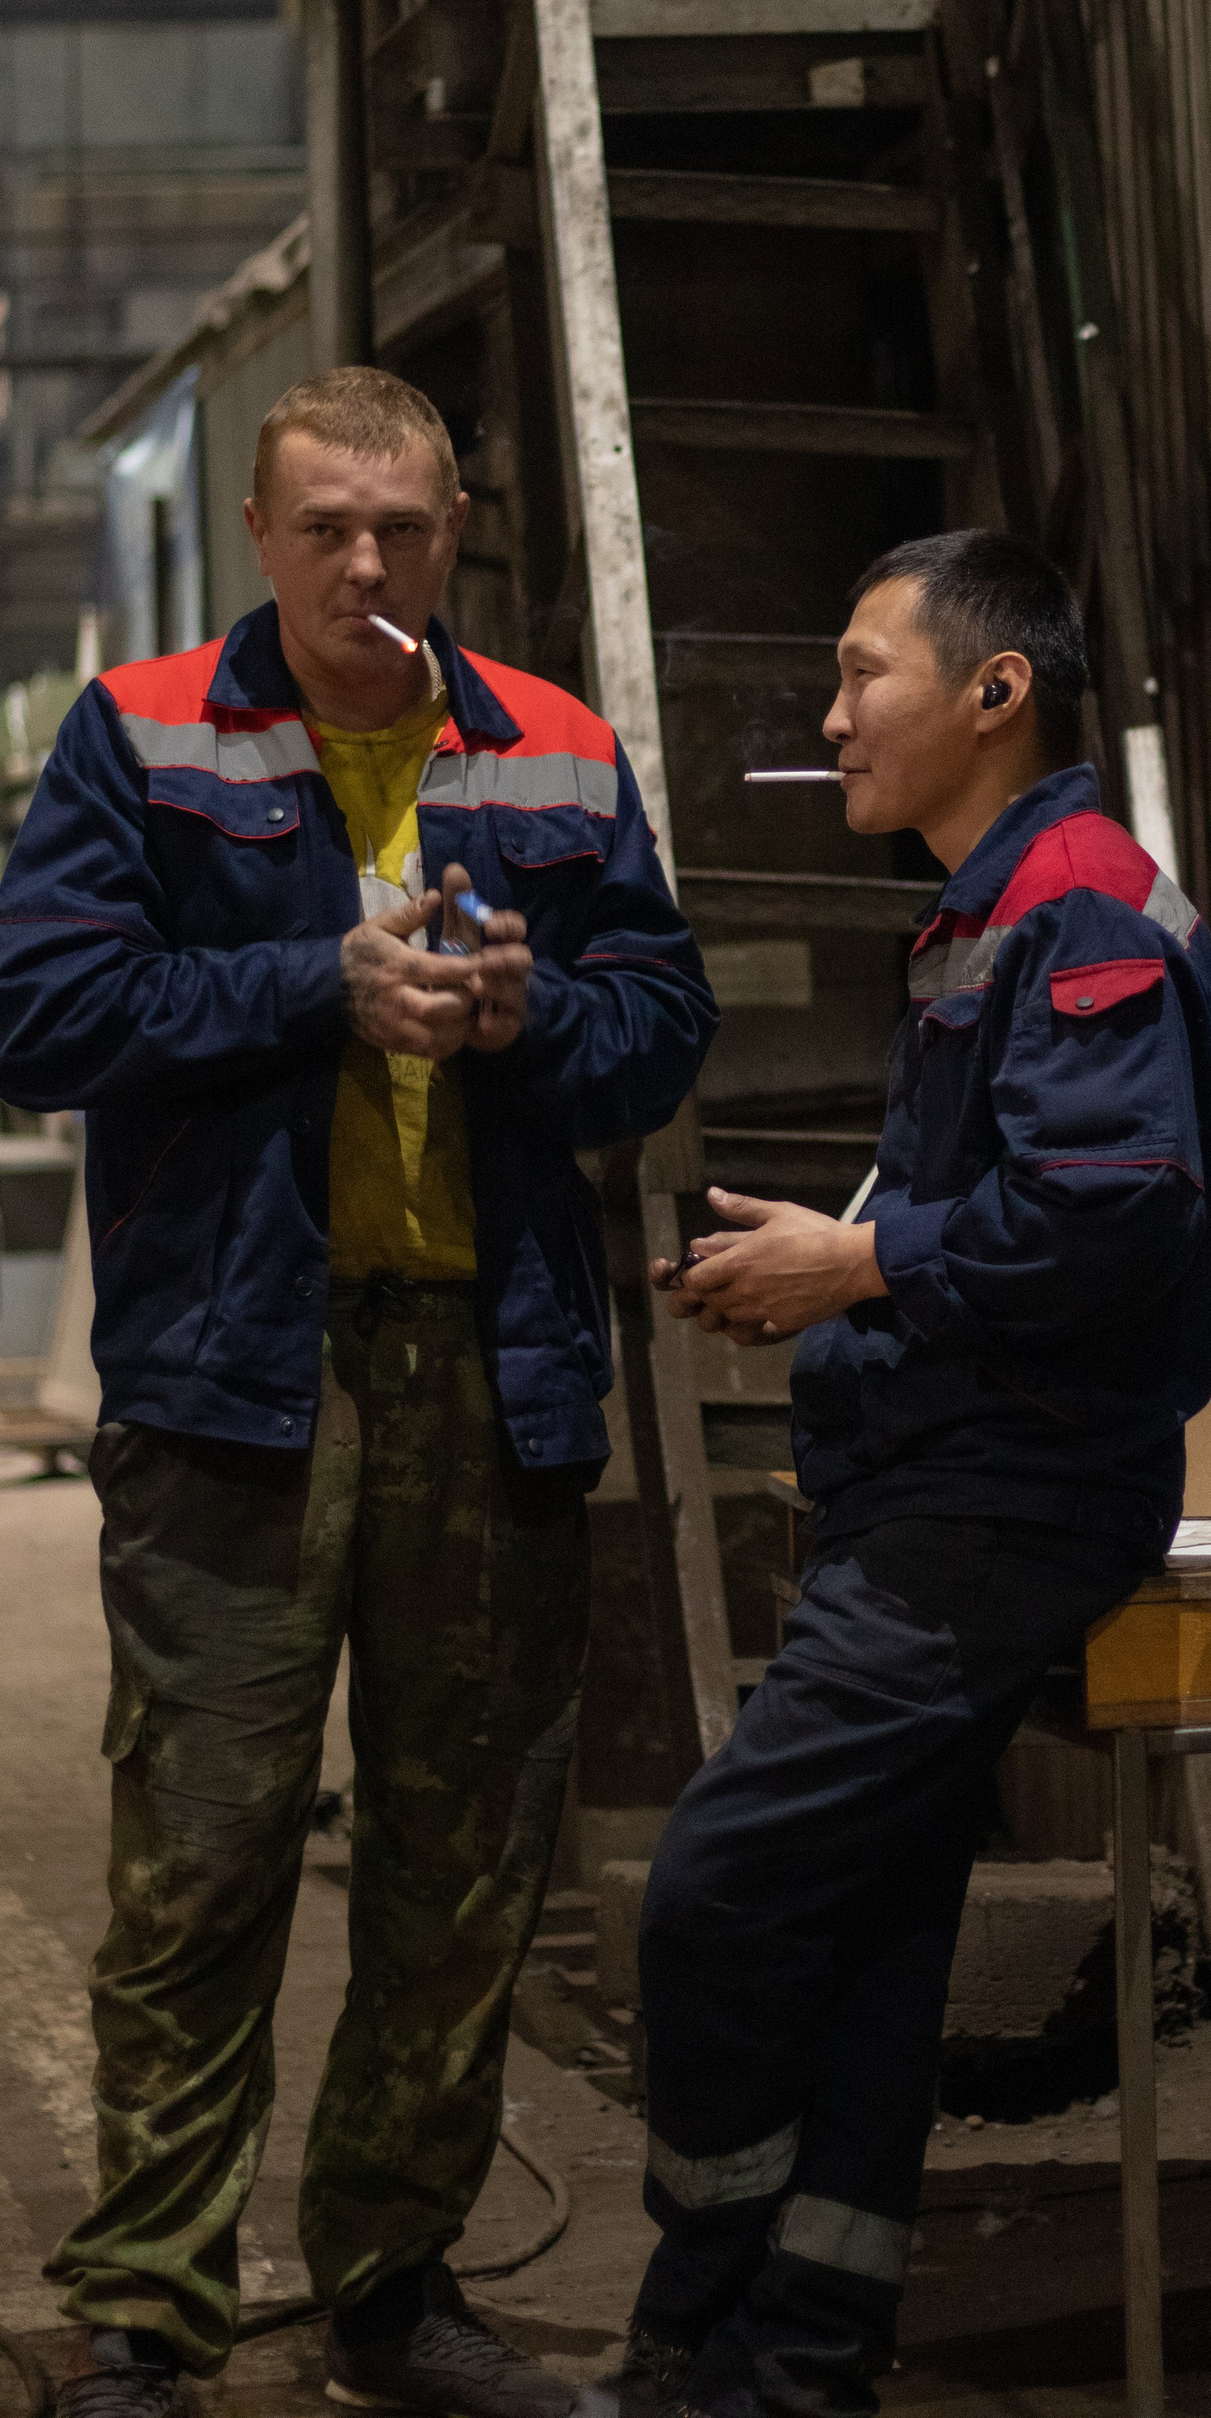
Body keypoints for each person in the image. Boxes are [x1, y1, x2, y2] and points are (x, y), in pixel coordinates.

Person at [0, 368, 717, 2418]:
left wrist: (529, 1016)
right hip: (240, 1373)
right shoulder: (146, 730)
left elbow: (660, 1023)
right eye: (325, 527)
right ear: (261, 534)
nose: (367, 564)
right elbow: (40, 1011)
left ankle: (394, 2287)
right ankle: (148, 2309)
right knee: (202, 1857)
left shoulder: (554, 747)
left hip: (490, 1370)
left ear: (456, 529)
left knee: (462, 1861)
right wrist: (316, 982)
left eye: (403, 527)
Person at [583, 531, 1211, 2418]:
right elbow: (1008, 1208)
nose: (830, 717)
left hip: (1006, 1505)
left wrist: (856, 1265)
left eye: (863, 672)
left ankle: (700, 2299)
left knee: (713, 1893)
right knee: (875, 1939)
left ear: (994, 691)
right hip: (940, 1485)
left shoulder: (1079, 907)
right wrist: (824, 1281)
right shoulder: (987, 911)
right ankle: (797, 2366)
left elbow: (1105, 1220)